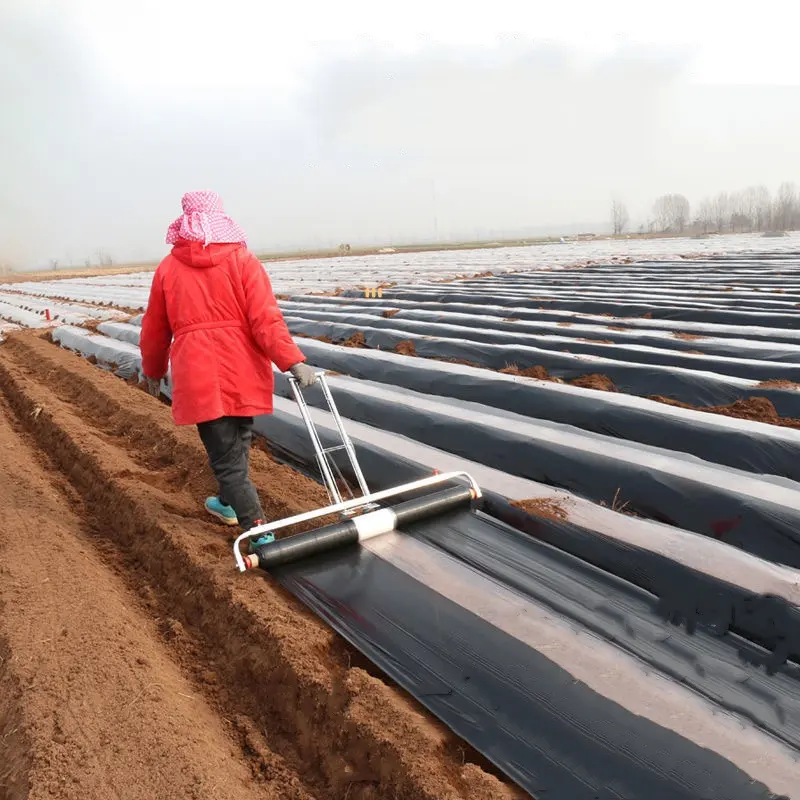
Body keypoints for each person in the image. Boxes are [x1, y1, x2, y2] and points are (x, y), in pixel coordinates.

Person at [139, 190, 317, 552]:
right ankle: (226, 503)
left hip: (198, 374)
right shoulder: (242, 260)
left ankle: (258, 531)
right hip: (243, 369)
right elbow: (266, 319)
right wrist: (292, 360)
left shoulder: (168, 268)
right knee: (238, 441)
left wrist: (153, 371)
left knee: (227, 456)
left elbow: (155, 330)